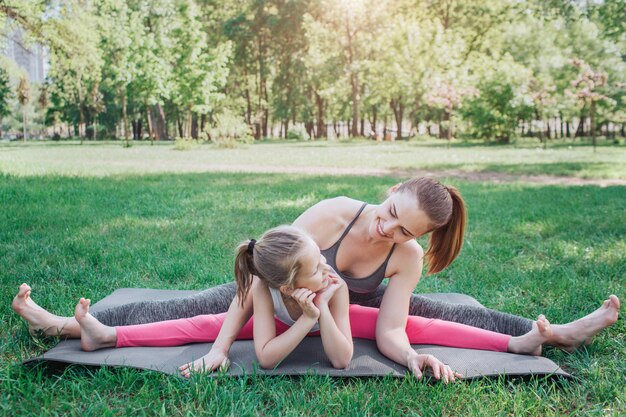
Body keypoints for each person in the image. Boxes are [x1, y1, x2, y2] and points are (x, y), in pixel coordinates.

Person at [13, 177, 621, 377]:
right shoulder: (332, 213)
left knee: (445, 316)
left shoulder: (404, 258)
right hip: (280, 288)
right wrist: (252, 324)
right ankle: (66, 323)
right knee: (189, 308)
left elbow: (387, 334)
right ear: (386, 195)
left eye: (404, 232)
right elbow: (269, 262)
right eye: (389, 216)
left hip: (339, 308)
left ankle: (553, 335)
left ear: (419, 239)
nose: (388, 232)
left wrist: (411, 358)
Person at [71, 225, 551, 382]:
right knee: (199, 324)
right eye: (316, 266)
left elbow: (342, 359)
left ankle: (514, 341)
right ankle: (106, 335)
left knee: (421, 328)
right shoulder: (264, 288)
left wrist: (322, 307)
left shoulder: (333, 284)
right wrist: (304, 323)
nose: (328, 267)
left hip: (329, 316)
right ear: (286, 281)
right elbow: (264, 358)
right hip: (287, 320)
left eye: (323, 261)